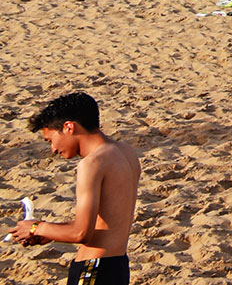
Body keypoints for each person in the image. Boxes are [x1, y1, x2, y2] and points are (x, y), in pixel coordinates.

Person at [10, 92, 140, 285]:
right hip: (118, 267)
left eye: (50, 139)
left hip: (93, 269)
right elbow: (105, 221)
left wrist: (37, 227)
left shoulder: (92, 163)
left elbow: (81, 233)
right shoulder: (126, 153)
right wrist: (49, 231)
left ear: (69, 127)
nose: (53, 149)